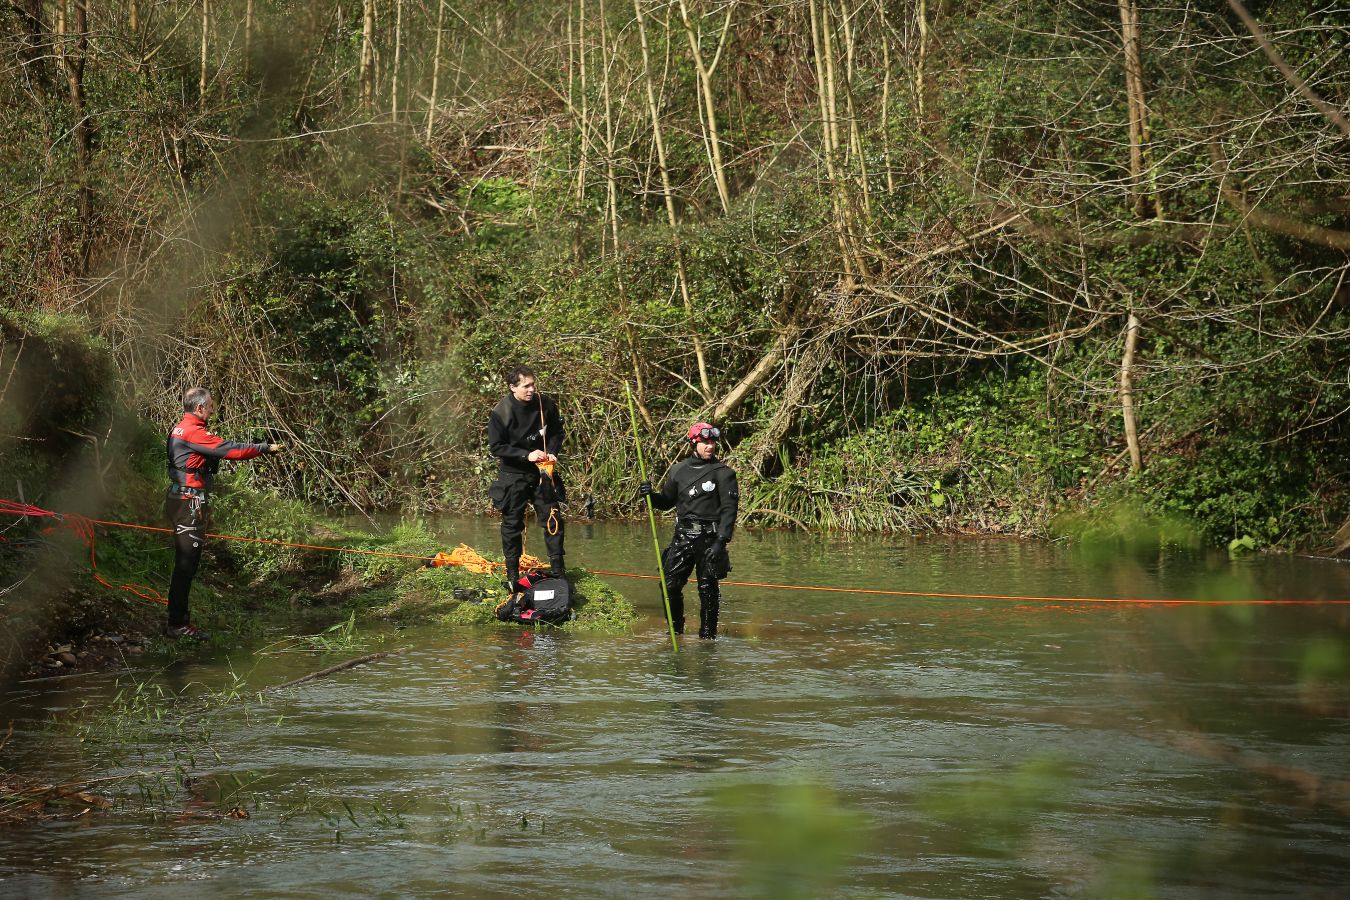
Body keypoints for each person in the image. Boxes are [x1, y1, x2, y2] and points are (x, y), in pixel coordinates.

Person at [164, 388, 283, 639]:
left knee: (185, 564)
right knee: (186, 565)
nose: (212, 410)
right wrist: (264, 447)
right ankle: (177, 625)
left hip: (181, 499)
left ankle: (178, 620)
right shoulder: (194, 432)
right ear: (198, 408)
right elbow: (233, 450)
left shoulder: (181, 427)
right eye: (209, 406)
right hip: (188, 504)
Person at [639, 422, 738, 638]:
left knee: (707, 589)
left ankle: (707, 637)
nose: (709, 446)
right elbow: (666, 502)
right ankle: (675, 631)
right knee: (668, 586)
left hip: (710, 539)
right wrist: (650, 495)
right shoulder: (678, 470)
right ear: (693, 443)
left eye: (712, 442)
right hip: (683, 536)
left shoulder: (724, 474)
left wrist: (721, 541)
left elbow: (730, 511)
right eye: (704, 442)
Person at [487, 366, 566, 587]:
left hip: (543, 472)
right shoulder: (500, 412)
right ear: (513, 388)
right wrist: (526, 455)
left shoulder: (545, 403)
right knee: (512, 524)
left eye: (533, 384)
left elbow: (558, 433)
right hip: (513, 475)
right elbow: (496, 447)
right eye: (526, 386)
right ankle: (512, 575)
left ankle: (559, 572)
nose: (532, 390)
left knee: (553, 520)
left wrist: (552, 452)